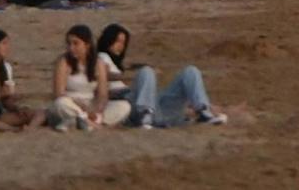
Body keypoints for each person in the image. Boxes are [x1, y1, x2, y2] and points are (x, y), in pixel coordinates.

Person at [97, 24, 227, 129]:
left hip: (156, 107)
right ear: (109, 40)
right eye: (118, 41)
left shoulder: (120, 65)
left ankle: (203, 110)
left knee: (190, 71)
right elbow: (105, 75)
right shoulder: (101, 58)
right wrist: (131, 77)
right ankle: (145, 115)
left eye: (123, 43)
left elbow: (129, 69)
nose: (121, 46)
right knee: (147, 72)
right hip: (128, 103)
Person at [47, 24, 130, 130]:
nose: (71, 48)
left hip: (91, 104)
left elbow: (102, 94)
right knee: (61, 103)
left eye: (76, 43)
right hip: (71, 103)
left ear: (87, 45)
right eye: (69, 44)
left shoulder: (98, 63)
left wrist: (96, 110)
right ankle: (91, 123)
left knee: (124, 106)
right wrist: (79, 105)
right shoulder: (64, 62)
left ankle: (83, 122)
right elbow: (59, 93)